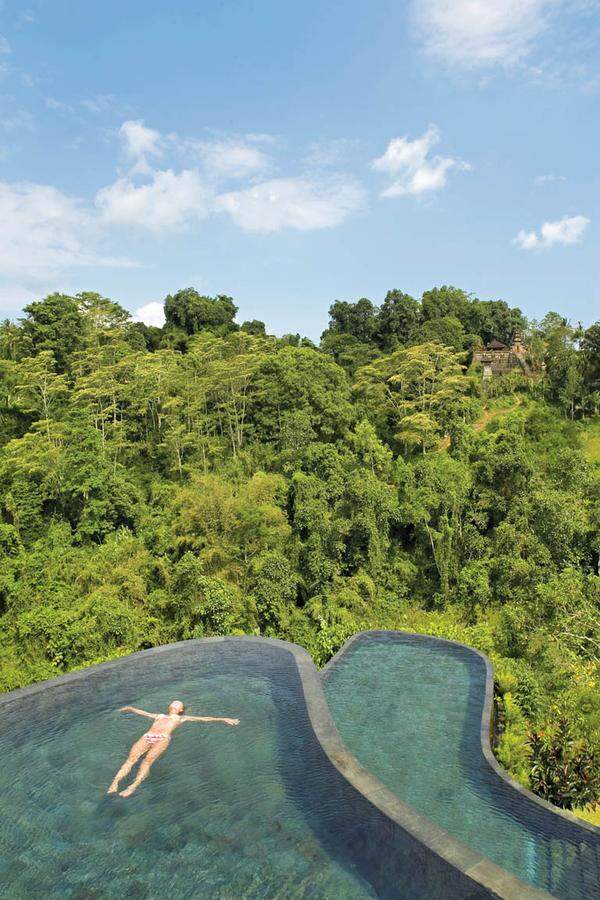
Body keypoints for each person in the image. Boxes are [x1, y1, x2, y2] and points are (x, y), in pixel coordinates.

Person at [107, 699, 239, 797]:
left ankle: (132, 786)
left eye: (178, 703)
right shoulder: (159, 716)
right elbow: (144, 713)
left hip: (162, 739)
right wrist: (131, 708)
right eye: (173, 702)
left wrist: (223, 719)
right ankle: (115, 783)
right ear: (169, 706)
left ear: (181, 709)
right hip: (148, 736)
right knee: (130, 760)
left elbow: (204, 719)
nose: (174, 703)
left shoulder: (182, 718)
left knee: (147, 761)